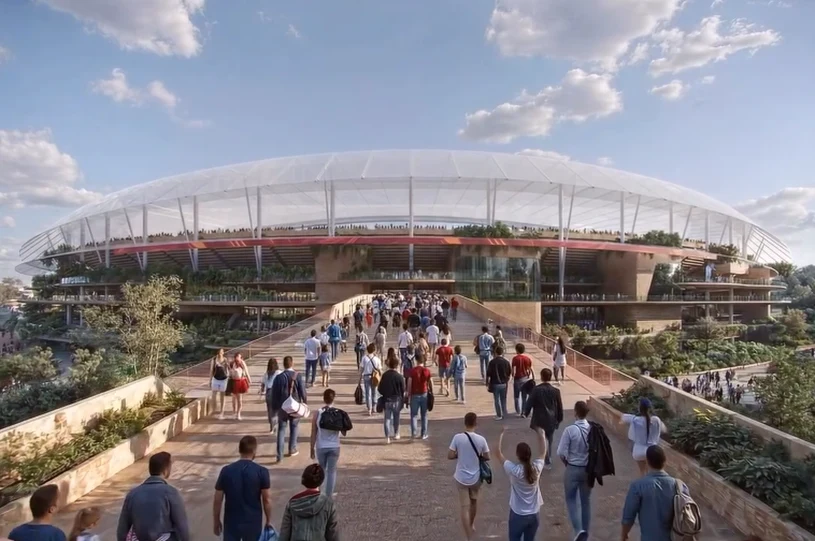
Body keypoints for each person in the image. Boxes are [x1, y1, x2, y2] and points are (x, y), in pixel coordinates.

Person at [621, 445, 691, 541]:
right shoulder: (679, 485)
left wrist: (624, 535)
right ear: (665, 461)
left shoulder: (637, 486)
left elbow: (628, 516)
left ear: (647, 461)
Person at [116, 452, 191, 541]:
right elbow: (181, 526)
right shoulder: (171, 493)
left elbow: (122, 530)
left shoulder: (132, 494)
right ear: (166, 470)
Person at [213, 436, 272, 541]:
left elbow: (218, 499)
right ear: (254, 451)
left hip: (231, 521)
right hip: (253, 522)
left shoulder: (226, 471)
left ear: (239, 450)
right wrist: (268, 520)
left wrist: (216, 520)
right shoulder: (262, 472)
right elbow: (266, 499)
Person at [496, 426, 547, 541]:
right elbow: (543, 452)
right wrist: (542, 435)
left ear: (517, 456)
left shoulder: (514, 471)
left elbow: (498, 453)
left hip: (518, 514)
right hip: (534, 514)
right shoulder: (536, 468)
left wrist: (501, 434)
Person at [448, 412, 490, 541]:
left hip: (461, 477)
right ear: (476, 423)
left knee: (464, 507)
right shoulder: (481, 439)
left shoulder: (457, 438)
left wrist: (459, 454)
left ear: (465, 423)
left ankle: (468, 536)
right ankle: (471, 524)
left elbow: (450, 455)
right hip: (476, 477)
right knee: (474, 502)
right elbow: (487, 456)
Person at [557, 401, 592, 541]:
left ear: (575, 412)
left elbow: (561, 452)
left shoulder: (570, 430)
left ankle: (578, 530)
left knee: (571, 499)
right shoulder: (592, 429)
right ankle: (585, 533)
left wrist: (566, 462)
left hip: (572, 467)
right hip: (588, 469)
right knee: (586, 502)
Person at [280, 464, 339, 541]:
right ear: (321, 480)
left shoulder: (292, 503)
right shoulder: (328, 504)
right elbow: (333, 535)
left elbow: (284, 534)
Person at [523, 368, 563, 469]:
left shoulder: (536, 390)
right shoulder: (556, 391)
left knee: (542, 438)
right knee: (549, 439)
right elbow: (559, 406)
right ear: (550, 377)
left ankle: (545, 459)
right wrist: (559, 419)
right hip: (552, 419)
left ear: (541, 377)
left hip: (539, 418)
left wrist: (525, 413)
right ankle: (548, 459)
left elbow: (530, 402)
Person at [270, 356, 308, 462]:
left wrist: (274, 408)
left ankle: (279, 455)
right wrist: (305, 403)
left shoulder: (278, 377)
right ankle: (292, 449)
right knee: (294, 427)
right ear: (292, 363)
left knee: (281, 429)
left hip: (282, 407)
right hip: (295, 406)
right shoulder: (297, 376)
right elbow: (302, 391)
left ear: (284, 364)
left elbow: (274, 394)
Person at [311, 389, 344, 498]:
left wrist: (311, 448)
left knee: (321, 470)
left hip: (321, 446)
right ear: (334, 398)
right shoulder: (338, 413)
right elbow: (343, 431)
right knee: (332, 471)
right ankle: (329, 495)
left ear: (323, 398)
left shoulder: (317, 413)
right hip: (334, 446)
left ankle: (320, 493)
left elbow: (313, 432)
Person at [621, 398, 665, 475]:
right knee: (653, 472)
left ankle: (643, 481)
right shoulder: (656, 420)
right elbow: (664, 429)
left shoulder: (635, 419)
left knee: (642, 472)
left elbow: (623, 418)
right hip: (653, 451)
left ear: (640, 409)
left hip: (638, 451)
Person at [377, 354, 406, 443]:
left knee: (387, 419)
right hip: (396, 399)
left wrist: (384, 393)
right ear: (397, 365)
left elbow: (380, 388)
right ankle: (396, 433)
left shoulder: (385, 375)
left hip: (387, 400)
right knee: (396, 418)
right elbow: (403, 389)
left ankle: (387, 437)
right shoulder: (399, 376)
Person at [406, 354, 434, 440]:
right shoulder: (427, 371)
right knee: (424, 415)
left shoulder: (412, 371)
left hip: (414, 394)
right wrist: (432, 392)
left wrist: (408, 394)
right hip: (424, 394)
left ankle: (414, 433)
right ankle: (423, 434)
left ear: (416, 360)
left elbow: (409, 383)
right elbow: (431, 382)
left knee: (414, 415)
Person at [486, 346, 511, 420]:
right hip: (504, 383)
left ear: (496, 353)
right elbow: (509, 372)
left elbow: (488, 374)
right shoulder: (506, 362)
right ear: (502, 352)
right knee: (503, 399)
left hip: (495, 383)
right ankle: (504, 413)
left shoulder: (492, 362)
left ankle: (499, 415)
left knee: (497, 400)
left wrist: (487, 383)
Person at [358, 344, 382, 416]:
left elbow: (361, 369)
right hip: (375, 377)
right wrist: (381, 377)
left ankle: (369, 409)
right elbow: (380, 369)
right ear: (374, 350)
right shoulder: (377, 359)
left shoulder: (364, 358)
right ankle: (374, 407)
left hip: (366, 376)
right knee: (375, 392)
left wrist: (359, 379)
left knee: (368, 393)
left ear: (367, 350)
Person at [511, 343, 534, 417]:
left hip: (517, 379)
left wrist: (512, 376)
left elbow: (513, 369)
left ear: (517, 350)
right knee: (524, 396)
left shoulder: (515, 358)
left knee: (516, 396)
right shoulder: (527, 358)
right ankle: (523, 411)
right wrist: (530, 376)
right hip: (525, 379)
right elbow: (530, 369)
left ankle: (518, 410)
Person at [260, 358, 282, 434]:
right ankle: (275, 423)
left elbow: (263, 383)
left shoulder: (266, 373)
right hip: (276, 391)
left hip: (268, 392)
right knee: (276, 410)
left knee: (270, 410)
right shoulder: (279, 373)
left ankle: (271, 427)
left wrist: (262, 390)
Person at [228, 353, 250, 421]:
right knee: (233, 399)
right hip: (233, 381)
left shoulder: (242, 363)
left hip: (240, 381)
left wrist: (249, 380)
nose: (238, 358)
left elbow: (246, 371)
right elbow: (229, 372)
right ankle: (234, 412)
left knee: (239, 399)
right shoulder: (232, 363)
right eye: (237, 357)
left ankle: (238, 414)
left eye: (239, 357)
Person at [210, 348, 229, 419]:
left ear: (223, 353)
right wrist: (210, 380)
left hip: (223, 379)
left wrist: (228, 376)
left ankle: (222, 412)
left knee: (222, 396)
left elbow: (228, 369)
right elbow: (211, 370)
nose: (220, 354)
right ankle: (214, 410)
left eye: (221, 352)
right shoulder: (214, 360)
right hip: (215, 378)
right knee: (214, 395)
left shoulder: (225, 360)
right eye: (219, 352)